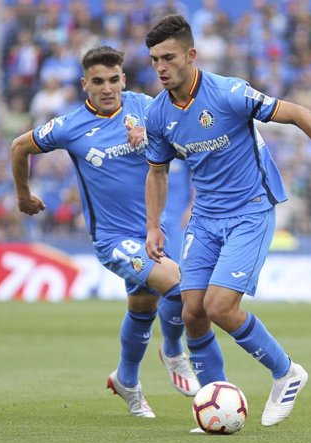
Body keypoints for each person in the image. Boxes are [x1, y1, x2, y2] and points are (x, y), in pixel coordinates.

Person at [133, 15, 311, 429]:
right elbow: (157, 171)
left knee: (220, 307)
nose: (161, 67)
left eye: (168, 57)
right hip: (205, 218)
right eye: (154, 60)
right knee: (192, 312)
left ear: (191, 55)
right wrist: (154, 226)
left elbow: (296, 113)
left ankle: (286, 372)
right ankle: (215, 406)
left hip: (250, 211)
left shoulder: (228, 92)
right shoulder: (157, 114)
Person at [10, 46, 199, 419]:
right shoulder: (69, 126)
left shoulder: (147, 108)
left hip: (153, 232)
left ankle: (126, 379)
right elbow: (19, 147)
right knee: (180, 284)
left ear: (124, 80)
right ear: (85, 85)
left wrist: (150, 135)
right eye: (98, 81)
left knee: (143, 307)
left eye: (114, 80)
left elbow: (187, 141)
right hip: (114, 240)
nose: (107, 88)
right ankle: (174, 351)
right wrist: (23, 196)